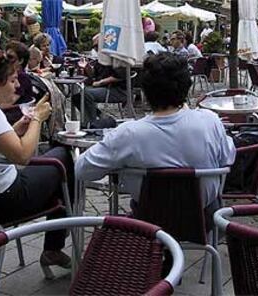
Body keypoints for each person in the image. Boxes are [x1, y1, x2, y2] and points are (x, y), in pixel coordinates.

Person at [0, 51, 74, 279]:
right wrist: (37, 118)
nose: (17, 86)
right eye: (12, 80)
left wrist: (17, 127)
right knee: (63, 156)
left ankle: (60, 227)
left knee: (58, 183)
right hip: (7, 200)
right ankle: (61, 233)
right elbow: (22, 156)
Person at [75, 52, 236, 225]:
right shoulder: (209, 121)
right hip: (205, 221)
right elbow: (228, 157)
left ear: (145, 89)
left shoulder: (128, 134)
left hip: (148, 226)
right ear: (186, 87)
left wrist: (122, 166)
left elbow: (82, 170)